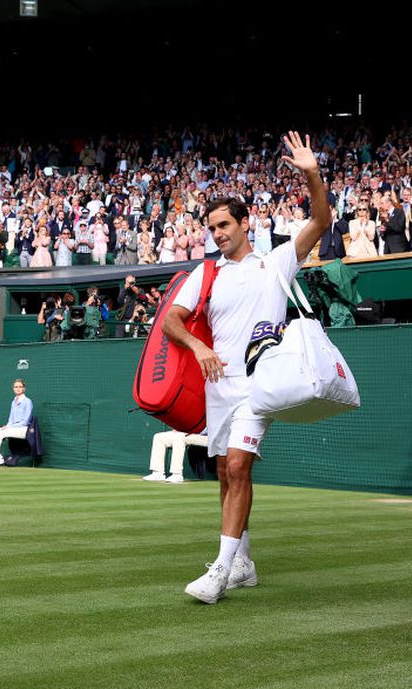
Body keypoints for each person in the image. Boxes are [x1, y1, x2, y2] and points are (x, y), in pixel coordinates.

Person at [162, 131, 328, 604]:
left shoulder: (276, 263)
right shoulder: (206, 272)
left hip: (261, 384)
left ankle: (218, 572)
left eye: (223, 225)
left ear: (244, 223)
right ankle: (244, 564)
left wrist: (311, 173)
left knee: (238, 466)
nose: (217, 234)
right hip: (220, 387)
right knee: (223, 471)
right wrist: (197, 346)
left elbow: (320, 219)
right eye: (211, 228)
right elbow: (172, 320)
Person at [0, 378, 34, 470]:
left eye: (20, 387)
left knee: (0, 434)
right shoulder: (13, 402)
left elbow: (25, 421)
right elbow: (11, 418)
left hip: (23, 429)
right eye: (16, 387)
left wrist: (10, 427)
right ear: (13, 388)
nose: (18, 388)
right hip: (12, 428)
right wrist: (8, 426)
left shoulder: (27, 401)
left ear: (24, 389)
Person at [142, 430, 210, 484]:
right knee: (159, 437)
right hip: (188, 433)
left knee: (179, 437)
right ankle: (157, 473)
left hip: (209, 437)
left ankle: (177, 474)